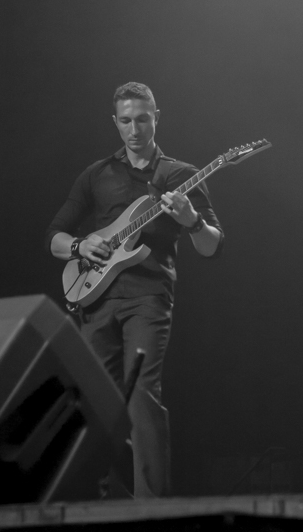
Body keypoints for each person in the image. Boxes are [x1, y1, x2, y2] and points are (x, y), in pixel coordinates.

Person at [45, 81, 223, 498]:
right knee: (95, 402)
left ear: (156, 118)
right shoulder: (96, 174)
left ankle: (152, 508)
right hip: (96, 298)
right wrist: (80, 245)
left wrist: (192, 220)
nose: (134, 129)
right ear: (115, 122)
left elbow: (213, 246)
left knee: (141, 394)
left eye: (142, 120)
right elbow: (53, 236)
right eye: (125, 121)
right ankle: (105, 502)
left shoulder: (178, 175)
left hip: (148, 297)